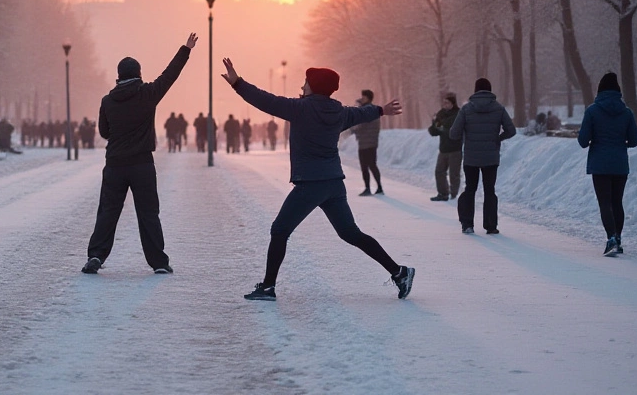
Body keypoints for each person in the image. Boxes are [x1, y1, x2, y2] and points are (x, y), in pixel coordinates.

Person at [221, 59, 414, 302]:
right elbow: (360, 113)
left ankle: (268, 287)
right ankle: (399, 272)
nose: (302, 87)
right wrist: (381, 110)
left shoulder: (299, 109)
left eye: (305, 83)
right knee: (350, 233)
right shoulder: (339, 112)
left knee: (280, 230)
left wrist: (238, 83)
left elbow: (265, 100)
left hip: (310, 184)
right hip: (333, 183)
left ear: (313, 86)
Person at [82, 33, 197, 275]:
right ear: (139, 74)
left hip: (114, 165)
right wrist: (185, 50)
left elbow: (104, 131)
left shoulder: (107, 101)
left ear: (119, 76)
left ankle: (96, 255)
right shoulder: (148, 94)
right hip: (142, 164)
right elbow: (169, 76)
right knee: (148, 213)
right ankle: (158, 262)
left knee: (108, 212)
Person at [577, 73, 637, 255]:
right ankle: (618, 238)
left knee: (605, 202)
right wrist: (620, 143)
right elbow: (634, 141)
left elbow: (582, 141)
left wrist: (594, 139)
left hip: (600, 164)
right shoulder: (627, 113)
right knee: (617, 202)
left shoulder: (592, 111)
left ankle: (611, 238)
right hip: (620, 163)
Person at [450, 78, 516, 235]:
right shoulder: (499, 108)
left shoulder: (466, 109)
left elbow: (454, 133)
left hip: (471, 157)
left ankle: (467, 224)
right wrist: (498, 139)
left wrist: (465, 137)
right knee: (489, 190)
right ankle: (491, 226)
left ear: (475, 90)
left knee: (470, 189)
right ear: (490, 90)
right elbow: (511, 130)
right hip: (491, 157)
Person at [427, 92, 462, 201]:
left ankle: (454, 195)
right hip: (443, 149)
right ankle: (443, 193)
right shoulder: (441, 113)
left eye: (447, 102)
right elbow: (434, 131)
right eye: (444, 102)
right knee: (439, 171)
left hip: (455, 149)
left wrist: (439, 126)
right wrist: (434, 123)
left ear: (452, 103)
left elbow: (449, 129)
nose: (445, 105)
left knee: (454, 174)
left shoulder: (458, 114)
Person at [350, 89, 382, 196]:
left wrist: (352, 129)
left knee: (365, 166)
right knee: (372, 165)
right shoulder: (372, 109)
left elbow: (360, 123)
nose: (362, 99)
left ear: (368, 98)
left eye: (363, 97)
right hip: (371, 142)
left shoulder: (366, 110)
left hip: (366, 143)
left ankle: (368, 188)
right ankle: (379, 187)